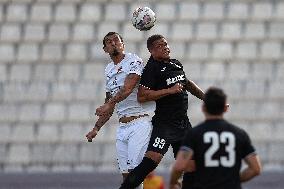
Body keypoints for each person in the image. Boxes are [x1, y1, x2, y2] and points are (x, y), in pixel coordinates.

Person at [119, 34, 204, 189]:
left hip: (183, 125)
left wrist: (207, 99)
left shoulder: (175, 64)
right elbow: (142, 96)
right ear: (151, 51)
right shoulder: (152, 69)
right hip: (165, 125)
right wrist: (169, 91)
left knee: (192, 166)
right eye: (159, 46)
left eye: (165, 44)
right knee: (150, 163)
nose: (165, 47)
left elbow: (188, 84)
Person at [85, 32, 152, 187]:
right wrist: (96, 127)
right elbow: (109, 102)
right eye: (109, 42)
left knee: (135, 174)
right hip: (123, 127)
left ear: (123, 44)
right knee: (126, 176)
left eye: (116, 40)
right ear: (105, 49)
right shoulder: (109, 69)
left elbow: (128, 88)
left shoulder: (133, 60)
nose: (113, 43)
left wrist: (109, 104)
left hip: (139, 122)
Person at [170, 87, 262, 189]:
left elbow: (179, 167)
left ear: (203, 108)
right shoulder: (239, 134)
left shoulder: (194, 134)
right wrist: (233, 180)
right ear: (225, 108)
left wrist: (173, 183)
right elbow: (255, 168)